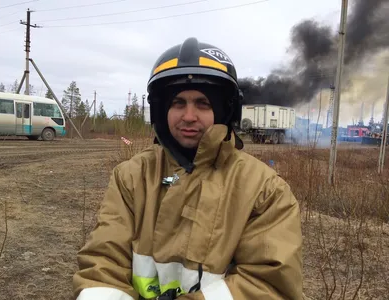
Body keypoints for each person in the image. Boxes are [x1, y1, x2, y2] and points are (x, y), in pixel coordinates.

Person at [72, 37, 303, 300]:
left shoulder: (264, 191)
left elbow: (270, 285)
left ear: (224, 111)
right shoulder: (131, 178)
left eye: (203, 103)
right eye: (178, 103)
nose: (189, 116)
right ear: (161, 110)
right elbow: (104, 266)